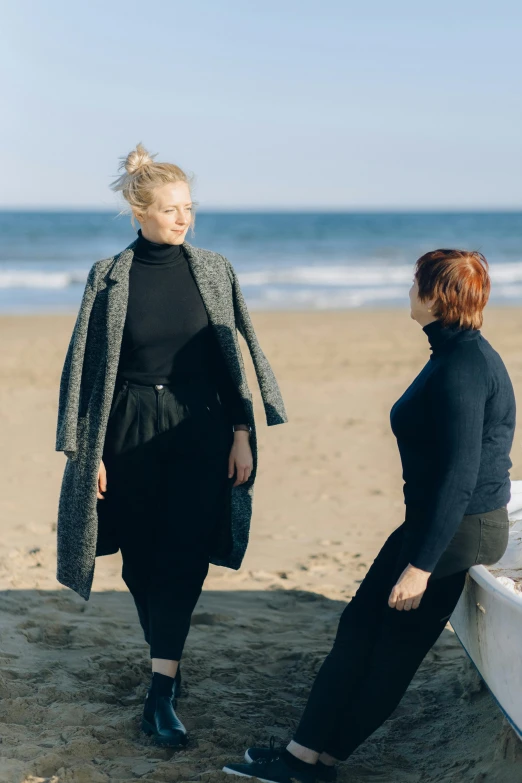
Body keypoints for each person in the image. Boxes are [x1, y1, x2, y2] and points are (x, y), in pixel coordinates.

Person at [222, 249, 515, 782]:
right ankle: (310, 755)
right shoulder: (456, 354)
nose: (408, 291)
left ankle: (311, 761)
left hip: (455, 532)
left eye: (415, 283)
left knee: (388, 651)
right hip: (441, 524)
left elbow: (460, 476)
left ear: (434, 297)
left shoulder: (464, 369)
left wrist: (421, 566)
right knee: (361, 632)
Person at [55, 143, 287, 748]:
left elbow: (230, 362)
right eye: (171, 209)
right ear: (139, 210)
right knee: (139, 560)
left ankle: (162, 689)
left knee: (184, 552)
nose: (183, 219)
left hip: (199, 428)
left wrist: (242, 432)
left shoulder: (212, 268)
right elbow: (85, 365)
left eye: (190, 207)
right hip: (128, 426)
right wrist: (89, 450)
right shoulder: (108, 276)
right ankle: (166, 657)